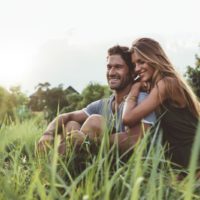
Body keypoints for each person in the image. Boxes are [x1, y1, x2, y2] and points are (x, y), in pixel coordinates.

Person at [38, 45, 156, 154]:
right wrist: (47, 134)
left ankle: (65, 170)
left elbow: (136, 140)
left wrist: (87, 141)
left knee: (95, 121)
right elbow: (66, 116)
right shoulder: (103, 104)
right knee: (71, 125)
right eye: (109, 67)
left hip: (128, 166)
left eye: (118, 67)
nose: (111, 72)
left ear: (131, 72)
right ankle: (59, 171)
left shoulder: (141, 99)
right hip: (101, 158)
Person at [122, 37, 200, 169]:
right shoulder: (158, 86)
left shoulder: (167, 84)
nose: (137, 68)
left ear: (154, 58)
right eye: (134, 64)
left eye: (141, 62)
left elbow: (127, 118)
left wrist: (134, 91)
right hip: (181, 163)